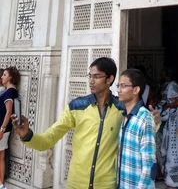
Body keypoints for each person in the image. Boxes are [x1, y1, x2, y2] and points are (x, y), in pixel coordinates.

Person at [12, 57, 159, 189]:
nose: (91, 81)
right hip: (76, 183)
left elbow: (140, 133)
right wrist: (27, 135)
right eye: (90, 76)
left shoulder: (121, 109)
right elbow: (48, 139)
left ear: (109, 79)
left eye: (96, 76)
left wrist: (155, 123)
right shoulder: (77, 106)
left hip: (107, 185)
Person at [116, 68, 156, 189]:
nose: (118, 90)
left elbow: (149, 164)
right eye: (118, 85)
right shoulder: (125, 116)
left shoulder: (144, 117)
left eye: (123, 86)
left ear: (136, 90)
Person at [157, 66, 178, 189]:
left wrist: (166, 106)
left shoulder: (173, 85)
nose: (162, 73)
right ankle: (170, 180)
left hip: (174, 123)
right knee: (168, 151)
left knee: (174, 154)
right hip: (169, 123)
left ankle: (176, 183)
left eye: (164, 71)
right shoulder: (166, 85)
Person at [0, 66, 20, 189]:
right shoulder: (8, 91)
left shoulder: (10, 92)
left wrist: (2, 129)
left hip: (2, 129)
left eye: (5, 75)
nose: (2, 77)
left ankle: (1, 184)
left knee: (1, 156)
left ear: (10, 77)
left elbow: (8, 111)